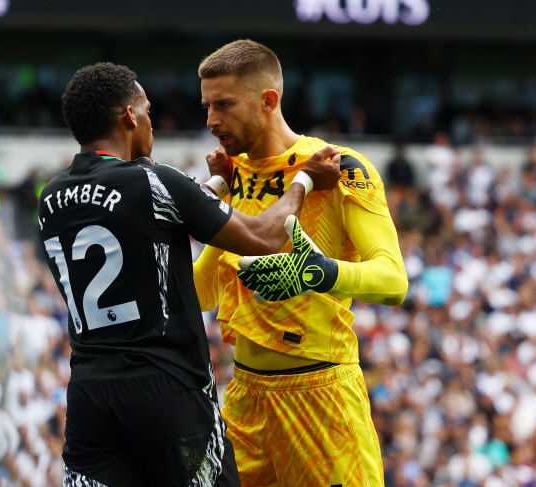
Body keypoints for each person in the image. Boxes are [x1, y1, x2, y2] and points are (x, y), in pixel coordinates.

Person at [37, 62, 341, 486]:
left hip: (90, 396)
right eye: (146, 110)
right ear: (129, 116)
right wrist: (304, 180)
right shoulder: (153, 179)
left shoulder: (51, 197)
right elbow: (265, 236)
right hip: (166, 390)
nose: (151, 124)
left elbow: (147, 221)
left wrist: (216, 183)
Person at [193, 40, 408, 486]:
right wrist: (208, 213)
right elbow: (203, 293)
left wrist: (321, 273)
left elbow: (393, 280)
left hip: (321, 398)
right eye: (207, 106)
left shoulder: (338, 167)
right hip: (244, 400)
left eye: (224, 104)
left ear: (268, 100)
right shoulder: (234, 174)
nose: (211, 120)